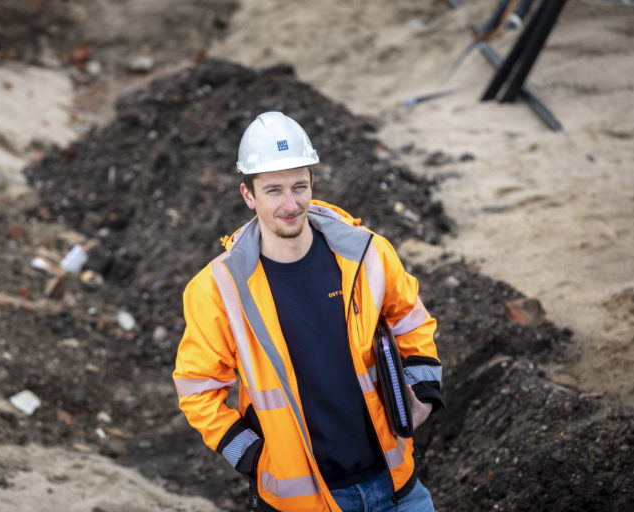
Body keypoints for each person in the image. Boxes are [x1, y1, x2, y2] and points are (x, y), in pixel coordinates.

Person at [173, 111, 445, 511]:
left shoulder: (365, 253)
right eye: (273, 190)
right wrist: (250, 454)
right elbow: (197, 388)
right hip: (301, 501)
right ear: (248, 195)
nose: (290, 204)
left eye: (299, 186)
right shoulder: (219, 288)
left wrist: (422, 388)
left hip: (395, 483)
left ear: (312, 183)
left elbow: (410, 320)